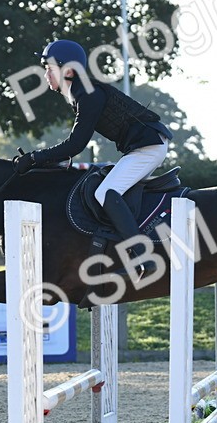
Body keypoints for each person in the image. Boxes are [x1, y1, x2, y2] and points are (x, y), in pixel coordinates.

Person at [13, 39, 172, 277]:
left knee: (105, 192)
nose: (45, 74)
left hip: (148, 147)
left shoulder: (88, 94)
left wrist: (36, 158)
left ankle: (143, 257)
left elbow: (76, 143)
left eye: (49, 68)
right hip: (143, 146)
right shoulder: (80, 92)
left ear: (67, 70)